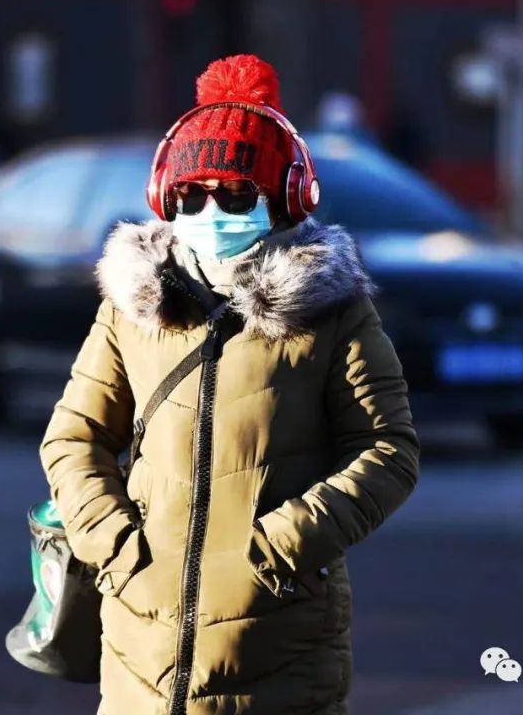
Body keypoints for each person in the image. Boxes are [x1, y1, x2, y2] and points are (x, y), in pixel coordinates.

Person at [39, 54, 420, 715]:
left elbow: (389, 451)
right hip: (138, 658)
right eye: (193, 196)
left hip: (280, 654)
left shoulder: (333, 312)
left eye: (236, 194)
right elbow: (73, 438)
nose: (211, 210)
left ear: (282, 197)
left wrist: (281, 548)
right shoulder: (134, 307)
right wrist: (116, 548)